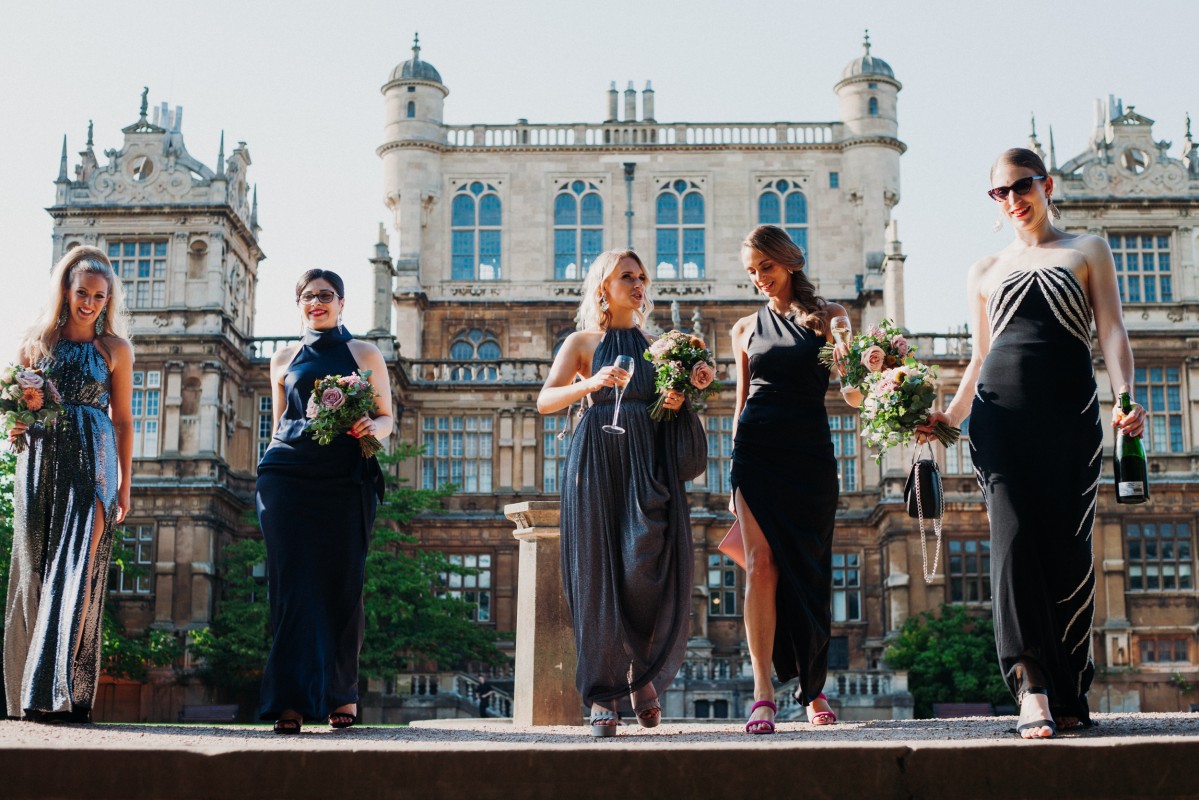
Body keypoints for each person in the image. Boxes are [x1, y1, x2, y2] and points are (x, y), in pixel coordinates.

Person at [919, 148, 1145, 739]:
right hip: (1000, 420)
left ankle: (1069, 689)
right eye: (1001, 192)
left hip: (1071, 418)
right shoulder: (985, 269)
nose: (1013, 199)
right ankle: (1032, 687)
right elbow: (979, 356)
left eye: (1022, 186)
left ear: (1047, 185)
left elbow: (1112, 328)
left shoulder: (1087, 250)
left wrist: (1125, 396)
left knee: (1068, 552)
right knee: (1012, 543)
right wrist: (949, 418)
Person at [537, 249, 695, 737]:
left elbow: (670, 410)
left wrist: (677, 399)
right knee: (597, 572)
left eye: (641, 276)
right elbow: (545, 400)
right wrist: (592, 383)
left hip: (647, 462)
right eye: (627, 276)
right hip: (596, 459)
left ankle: (640, 677)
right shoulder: (583, 342)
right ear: (603, 286)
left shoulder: (661, 346)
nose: (638, 284)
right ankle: (606, 695)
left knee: (644, 569)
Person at [729, 225, 859, 734]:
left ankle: (812, 687)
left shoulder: (831, 317)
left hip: (809, 457)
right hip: (756, 453)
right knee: (760, 567)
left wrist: (859, 369)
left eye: (766, 266)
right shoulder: (744, 328)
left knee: (809, 571)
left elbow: (853, 395)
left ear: (789, 261)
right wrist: (733, 477)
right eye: (752, 271)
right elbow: (741, 403)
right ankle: (762, 692)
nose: (760, 277)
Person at [256, 269, 392, 733]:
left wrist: (373, 428)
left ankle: (341, 694)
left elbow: (387, 417)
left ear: (341, 302)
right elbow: (281, 424)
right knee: (292, 588)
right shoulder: (281, 358)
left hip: (345, 478)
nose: (317, 302)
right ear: (299, 304)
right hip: (286, 477)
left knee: (343, 585)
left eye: (326, 295)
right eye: (308, 296)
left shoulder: (364, 353)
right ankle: (290, 702)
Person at [4, 245, 134, 722]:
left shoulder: (115, 349)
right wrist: (17, 424)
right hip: (40, 461)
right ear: (66, 290)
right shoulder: (35, 344)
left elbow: (123, 420)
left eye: (100, 297)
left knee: (77, 573)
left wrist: (124, 486)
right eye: (83, 293)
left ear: (108, 300)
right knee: (37, 572)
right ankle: (31, 692)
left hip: (95, 462)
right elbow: (15, 408)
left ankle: (57, 692)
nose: (90, 304)